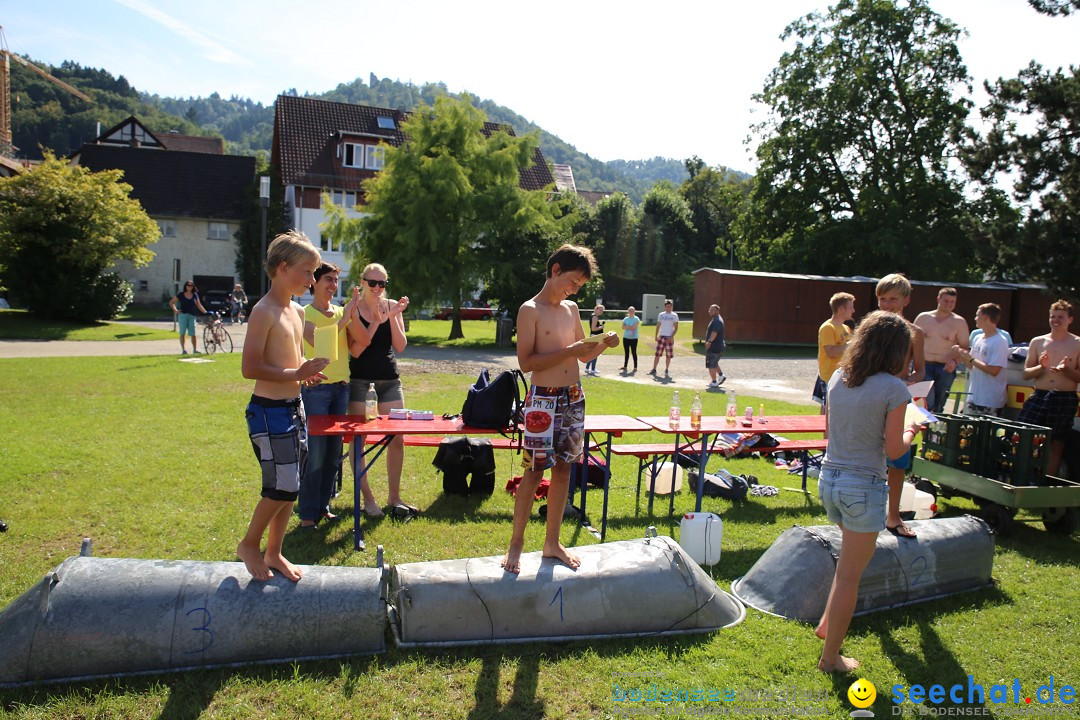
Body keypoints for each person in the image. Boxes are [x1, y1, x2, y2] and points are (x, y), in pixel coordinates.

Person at [815, 310, 923, 673]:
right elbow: (896, 452)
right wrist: (913, 427)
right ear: (897, 350)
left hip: (829, 482)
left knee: (846, 567)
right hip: (863, 488)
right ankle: (831, 659)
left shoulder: (838, 379)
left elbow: (833, 432)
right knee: (849, 576)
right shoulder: (895, 389)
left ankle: (827, 626)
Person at [502, 244, 618, 574]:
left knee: (565, 469)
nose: (575, 289)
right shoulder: (530, 310)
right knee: (534, 471)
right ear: (555, 270)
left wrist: (600, 345)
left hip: (573, 396)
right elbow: (526, 362)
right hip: (542, 399)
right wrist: (573, 348)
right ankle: (516, 543)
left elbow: (582, 355)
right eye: (573, 281)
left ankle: (552, 543)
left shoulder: (571, 309)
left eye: (580, 286)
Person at [238, 230, 329, 581]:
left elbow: (293, 358)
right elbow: (250, 367)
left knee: (292, 485)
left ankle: (274, 551)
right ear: (281, 267)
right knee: (281, 486)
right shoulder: (264, 311)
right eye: (306, 272)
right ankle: (249, 544)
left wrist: (303, 375)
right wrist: (296, 371)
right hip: (268, 411)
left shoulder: (295, 311)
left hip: (294, 406)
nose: (312, 279)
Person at [298, 263, 364, 530]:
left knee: (333, 454)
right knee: (315, 455)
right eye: (328, 279)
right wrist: (344, 318)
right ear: (314, 282)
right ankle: (306, 514)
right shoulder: (304, 313)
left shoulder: (340, 312)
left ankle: (323, 506)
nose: (333, 285)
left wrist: (358, 311)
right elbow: (318, 342)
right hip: (317, 389)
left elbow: (358, 342)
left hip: (341, 388)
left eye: (336, 280)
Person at [347, 262, 412, 516]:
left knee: (397, 437)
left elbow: (400, 345)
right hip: (359, 381)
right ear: (362, 282)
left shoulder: (391, 305)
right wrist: (376, 321)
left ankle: (394, 497)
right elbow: (355, 350)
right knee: (358, 440)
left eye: (381, 283)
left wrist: (394, 315)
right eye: (372, 282)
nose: (377, 288)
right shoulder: (353, 308)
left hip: (389, 381)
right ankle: (368, 499)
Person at [876, 273, 925, 539]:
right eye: (882, 299)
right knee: (869, 455)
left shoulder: (915, 333)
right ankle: (866, 512)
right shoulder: (870, 329)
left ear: (905, 300)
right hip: (871, 401)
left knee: (897, 461)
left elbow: (920, 371)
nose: (887, 304)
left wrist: (905, 382)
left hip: (898, 401)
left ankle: (893, 516)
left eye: (893, 299)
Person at [1017, 300, 1080, 477]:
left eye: (1061, 317)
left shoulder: (1077, 343)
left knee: (1057, 443)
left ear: (1070, 319)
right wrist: (1041, 367)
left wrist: (1066, 369)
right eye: (1053, 316)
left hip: (1064, 398)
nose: (1056, 320)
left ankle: (1047, 482)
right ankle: (1024, 476)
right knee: (1025, 436)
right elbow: (1026, 374)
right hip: (1039, 395)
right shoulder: (1037, 342)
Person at [915, 288, 969, 415]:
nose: (949, 304)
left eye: (952, 302)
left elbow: (965, 347)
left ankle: (934, 432)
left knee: (939, 404)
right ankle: (924, 429)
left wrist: (955, 362)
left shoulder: (959, 322)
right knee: (926, 401)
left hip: (945, 368)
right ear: (938, 299)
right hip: (924, 365)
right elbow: (913, 341)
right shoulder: (923, 318)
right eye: (946, 301)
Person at [954, 303, 1009, 416]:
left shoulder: (1000, 341)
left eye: (977, 315)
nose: (975, 319)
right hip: (973, 397)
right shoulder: (977, 338)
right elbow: (971, 366)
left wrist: (970, 359)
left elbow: (994, 370)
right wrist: (963, 355)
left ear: (985, 318)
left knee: (985, 433)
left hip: (990, 401)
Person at [814, 293, 854, 409]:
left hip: (843, 376)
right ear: (841, 309)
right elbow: (830, 352)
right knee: (828, 409)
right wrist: (852, 344)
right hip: (829, 376)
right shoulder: (828, 327)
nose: (853, 310)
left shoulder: (845, 328)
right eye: (851, 307)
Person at [169, 280, 208, 355]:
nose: (189, 287)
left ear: (193, 287)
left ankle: (195, 350)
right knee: (182, 333)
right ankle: (183, 350)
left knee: (193, 333)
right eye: (188, 285)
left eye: (191, 286)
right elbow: (172, 302)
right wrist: (176, 310)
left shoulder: (194, 295)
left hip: (192, 316)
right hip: (183, 315)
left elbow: (199, 305)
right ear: (185, 286)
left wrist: (206, 313)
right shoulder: (181, 294)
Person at [649, 300, 679, 378]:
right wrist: (656, 335)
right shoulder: (661, 315)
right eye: (667, 306)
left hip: (669, 337)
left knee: (668, 355)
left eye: (670, 306)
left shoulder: (674, 315)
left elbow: (676, 328)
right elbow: (658, 326)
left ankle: (666, 369)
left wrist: (671, 337)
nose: (668, 308)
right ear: (665, 307)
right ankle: (654, 369)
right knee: (657, 354)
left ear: (672, 307)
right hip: (662, 336)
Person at [705, 303, 727, 388]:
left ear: (718, 311)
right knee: (714, 362)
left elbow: (714, 332)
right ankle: (721, 375)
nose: (710, 311)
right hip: (718, 346)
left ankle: (714, 382)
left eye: (713, 310)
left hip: (714, 346)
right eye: (710, 309)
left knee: (711, 364)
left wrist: (709, 341)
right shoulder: (716, 319)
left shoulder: (717, 320)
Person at [584, 304, 606, 375]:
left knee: (593, 353)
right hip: (595, 336)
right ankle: (592, 369)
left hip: (594, 336)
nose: (601, 312)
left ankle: (588, 368)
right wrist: (601, 327)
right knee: (595, 353)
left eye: (602, 311)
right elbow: (593, 329)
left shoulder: (594, 316)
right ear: (596, 309)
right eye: (600, 310)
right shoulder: (595, 317)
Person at [621, 306, 640, 373]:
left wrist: (627, 327)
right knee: (626, 353)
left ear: (634, 311)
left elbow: (634, 327)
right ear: (628, 311)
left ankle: (635, 367)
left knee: (634, 352)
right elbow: (623, 327)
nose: (631, 312)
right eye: (630, 311)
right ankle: (625, 366)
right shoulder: (625, 319)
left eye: (633, 311)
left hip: (634, 338)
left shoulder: (636, 318)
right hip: (626, 338)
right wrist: (628, 327)